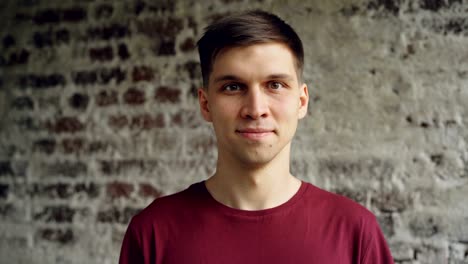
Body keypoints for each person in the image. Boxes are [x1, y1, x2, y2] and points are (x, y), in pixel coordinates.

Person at [119, 10, 394, 264]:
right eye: (233, 87)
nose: (256, 109)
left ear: (301, 101)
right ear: (205, 104)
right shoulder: (152, 233)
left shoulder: (356, 232)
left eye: (275, 85)